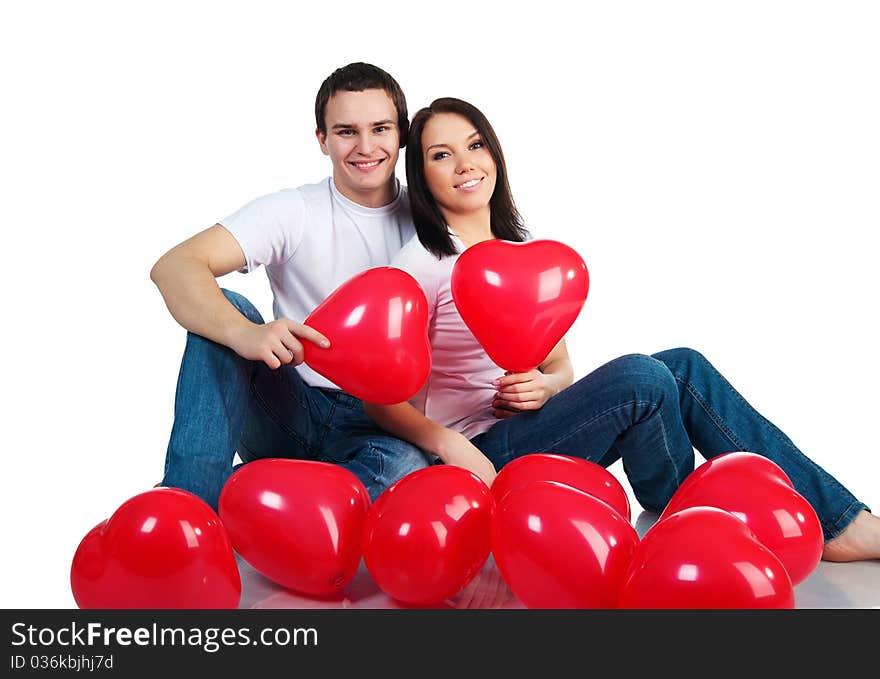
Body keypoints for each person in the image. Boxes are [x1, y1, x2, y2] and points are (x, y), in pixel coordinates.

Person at [364, 96, 880, 562]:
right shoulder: (422, 263)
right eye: (441, 154)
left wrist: (546, 385)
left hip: (534, 428)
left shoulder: (525, 252)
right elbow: (376, 394)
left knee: (682, 365)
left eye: (474, 145)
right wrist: (449, 446)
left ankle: (838, 522)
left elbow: (559, 363)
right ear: (422, 174)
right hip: (481, 457)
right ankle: (684, 518)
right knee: (643, 379)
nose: (465, 164)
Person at [150, 63, 432, 511]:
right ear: (322, 139)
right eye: (345, 131)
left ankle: (257, 503)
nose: (365, 147)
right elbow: (175, 266)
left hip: (380, 426)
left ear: (403, 133)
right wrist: (246, 333)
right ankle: (186, 508)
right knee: (227, 306)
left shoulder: (432, 223)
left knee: (407, 469)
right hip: (288, 404)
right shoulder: (295, 211)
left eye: (380, 128)